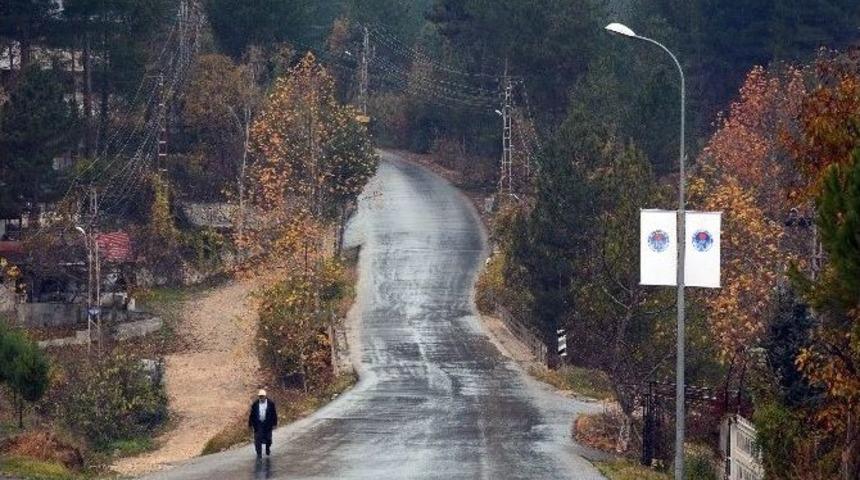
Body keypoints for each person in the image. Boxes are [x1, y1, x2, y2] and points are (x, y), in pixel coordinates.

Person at [248, 389, 278, 458]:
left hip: (267, 423)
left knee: (268, 439)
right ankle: (259, 453)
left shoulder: (271, 403)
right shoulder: (255, 404)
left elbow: (274, 414)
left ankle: (267, 448)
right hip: (258, 424)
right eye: (260, 396)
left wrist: (275, 423)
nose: (261, 398)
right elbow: (252, 415)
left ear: (265, 396)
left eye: (262, 396)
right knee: (257, 439)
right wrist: (250, 424)